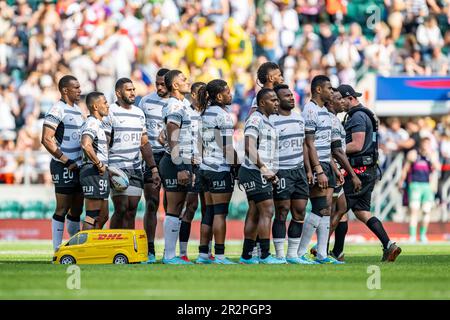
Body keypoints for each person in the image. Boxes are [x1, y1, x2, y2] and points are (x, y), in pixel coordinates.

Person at [338, 84, 402, 262]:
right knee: (362, 212)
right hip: (369, 169)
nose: (339, 103)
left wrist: (334, 149)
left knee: (340, 210)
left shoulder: (357, 116)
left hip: (359, 170)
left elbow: (357, 145)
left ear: (349, 98)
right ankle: (389, 245)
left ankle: (336, 252)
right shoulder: (365, 113)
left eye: (341, 99)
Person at [296, 75, 344, 264]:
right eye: (329, 88)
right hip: (318, 165)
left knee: (325, 209)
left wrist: (334, 168)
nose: (331, 91)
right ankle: (300, 252)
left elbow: (327, 145)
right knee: (319, 207)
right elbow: (308, 143)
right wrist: (316, 169)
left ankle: (322, 254)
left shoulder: (324, 111)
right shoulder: (310, 110)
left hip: (326, 163)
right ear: (318, 89)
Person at [104, 78, 160, 230]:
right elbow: (105, 142)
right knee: (121, 208)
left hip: (135, 167)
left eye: (133, 89)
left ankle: (127, 248)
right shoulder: (110, 112)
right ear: (118, 93)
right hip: (117, 167)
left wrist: (153, 168)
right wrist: (106, 167)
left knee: (131, 211)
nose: (133, 92)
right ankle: (114, 245)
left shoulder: (139, 113)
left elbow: (144, 143)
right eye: (128, 90)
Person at [238, 88, 286, 265]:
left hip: (259, 171)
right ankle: (265, 255)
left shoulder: (267, 120)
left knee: (255, 212)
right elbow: (249, 146)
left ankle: (247, 256)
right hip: (254, 170)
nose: (277, 103)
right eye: (273, 100)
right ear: (262, 103)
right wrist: (264, 168)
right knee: (267, 210)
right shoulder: (256, 119)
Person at [196, 79, 238, 264]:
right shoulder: (223, 115)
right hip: (219, 168)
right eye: (228, 92)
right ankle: (220, 256)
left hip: (205, 168)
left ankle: (203, 254)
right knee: (220, 213)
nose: (231, 95)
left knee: (209, 212)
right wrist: (238, 166)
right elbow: (227, 147)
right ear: (219, 96)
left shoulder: (203, 113)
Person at [270, 84, 313, 264]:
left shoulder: (299, 118)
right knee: (281, 212)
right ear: (278, 100)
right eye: (286, 96)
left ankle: (292, 255)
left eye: (291, 95)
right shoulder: (271, 120)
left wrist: (309, 169)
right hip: (282, 171)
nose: (291, 97)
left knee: (300, 212)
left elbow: (304, 145)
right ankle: (280, 254)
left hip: (299, 171)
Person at [41, 75, 84, 252]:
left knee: (76, 210)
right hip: (64, 165)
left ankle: (74, 249)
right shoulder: (57, 109)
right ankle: (57, 250)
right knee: (62, 207)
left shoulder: (78, 111)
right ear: (65, 90)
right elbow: (46, 139)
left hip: (79, 166)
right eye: (76, 87)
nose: (80, 90)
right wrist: (66, 161)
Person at [159, 70, 194, 265]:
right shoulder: (174, 105)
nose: (186, 81)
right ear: (174, 85)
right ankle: (170, 256)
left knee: (179, 207)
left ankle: (171, 254)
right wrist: (180, 166)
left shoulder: (182, 105)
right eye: (182, 79)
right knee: (174, 208)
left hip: (182, 160)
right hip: (174, 162)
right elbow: (172, 137)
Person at [322, 88, 361, 261]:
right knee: (327, 210)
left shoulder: (334, 120)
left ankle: (328, 249)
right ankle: (321, 248)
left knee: (341, 208)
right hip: (332, 170)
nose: (342, 102)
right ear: (330, 103)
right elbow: (334, 151)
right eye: (338, 99)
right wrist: (351, 174)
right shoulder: (332, 121)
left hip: (335, 169)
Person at [138, 68, 170, 264]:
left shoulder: (179, 103)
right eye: (156, 83)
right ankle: (149, 249)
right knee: (151, 203)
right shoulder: (145, 101)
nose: (159, 87)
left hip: (172, 156)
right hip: (151, 157)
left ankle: (170, 249)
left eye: (162, 84)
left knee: (171, 205)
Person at [178, 82, 207, 262]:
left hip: (208, 166)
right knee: (189, 207)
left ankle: (206, 251)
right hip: (191, 165)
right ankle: (182, 252)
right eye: (202, 93)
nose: (207, 96)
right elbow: (172, 136)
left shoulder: (209, 113)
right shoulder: (185, 112)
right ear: (194, 95)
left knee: (208, 208)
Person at [398, 137, 440, 243]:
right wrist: (401, 182)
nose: (426, 146)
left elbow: (438, 167)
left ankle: (423, 235)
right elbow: (405, 168)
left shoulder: (432, 155)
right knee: (414, 210)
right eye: (425, 143)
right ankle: (412, 236)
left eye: (428, 144)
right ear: (421, 144)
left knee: (426, 211)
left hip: (427, 186)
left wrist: (431, 157)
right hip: (415, 185)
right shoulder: (413, 154)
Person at [79, 92, 110, 230]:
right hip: (93, 170)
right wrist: (98, 163)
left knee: (103, 215)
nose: (108, 105)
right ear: (95, 106)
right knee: (92, 215)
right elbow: (86, 144)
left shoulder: (99, 123)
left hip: (99, 171)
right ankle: (83, 249)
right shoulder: (91, 122)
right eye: (105, 102)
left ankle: (94, 246)